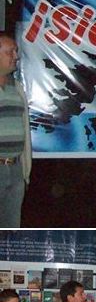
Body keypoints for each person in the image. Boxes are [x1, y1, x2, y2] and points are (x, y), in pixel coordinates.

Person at [0, 33, 32, 228]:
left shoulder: (17, 87)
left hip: (15, 169)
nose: (16, 56)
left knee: (10, 230)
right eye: (10, 51)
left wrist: (24, 172)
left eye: (16, 51)